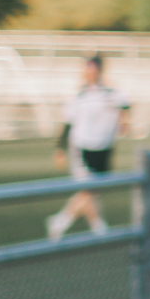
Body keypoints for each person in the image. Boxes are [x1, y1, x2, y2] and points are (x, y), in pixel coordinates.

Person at [47, 55, 130, 240]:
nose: (90, 73)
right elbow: (67, 123)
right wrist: (60, 149)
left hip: (105, 147)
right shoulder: (79, 96)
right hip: (82, 147)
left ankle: (91, 226)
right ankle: (86, 226)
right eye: (87, 69)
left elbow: (125, 106)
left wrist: (123, 124)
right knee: (87, 190)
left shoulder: (111, 93)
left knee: (93, 191)